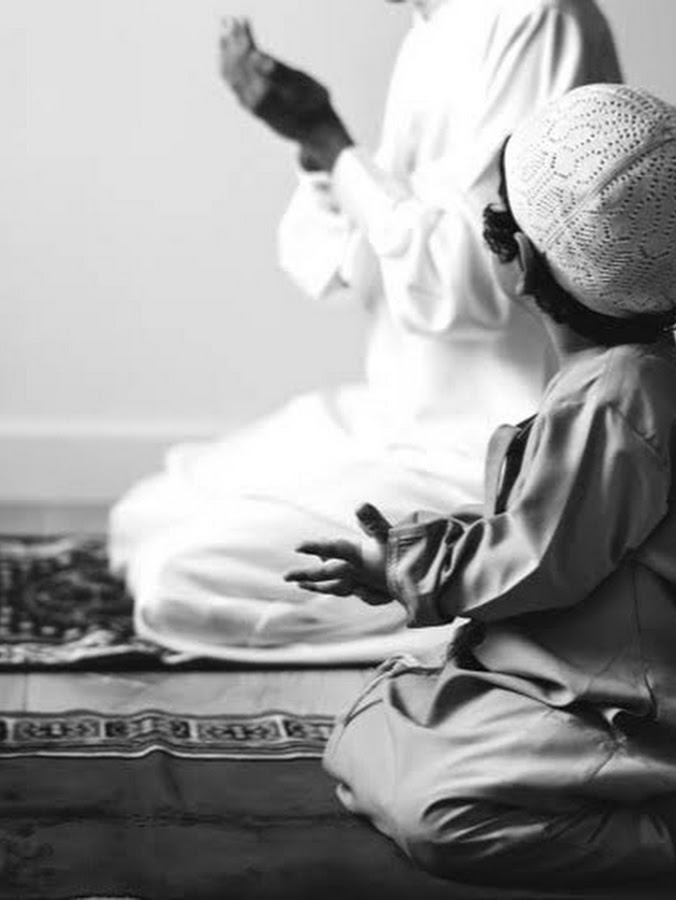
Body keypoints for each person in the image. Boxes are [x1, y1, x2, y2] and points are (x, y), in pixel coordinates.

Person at [286, 84, 676, 884]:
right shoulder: (616, 375)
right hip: (559, 671)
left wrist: (410, 569)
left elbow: (542, 555)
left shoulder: (617, 398)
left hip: (631, 707)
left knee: (437, 818)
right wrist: (417, 550)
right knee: (367, 728)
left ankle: (671, 828)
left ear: (517, 256)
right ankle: (535, 763)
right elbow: (548, 523)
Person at [107, 0, 622, 664]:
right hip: (396, 420)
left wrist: (330, 142)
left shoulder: (537, 19)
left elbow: (478, 283)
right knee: (144, 515)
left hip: (495, 456)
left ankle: (508, 595)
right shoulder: (432, 30)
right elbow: (360, 264)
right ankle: (458, 587)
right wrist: (317, 149)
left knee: (181, 576)